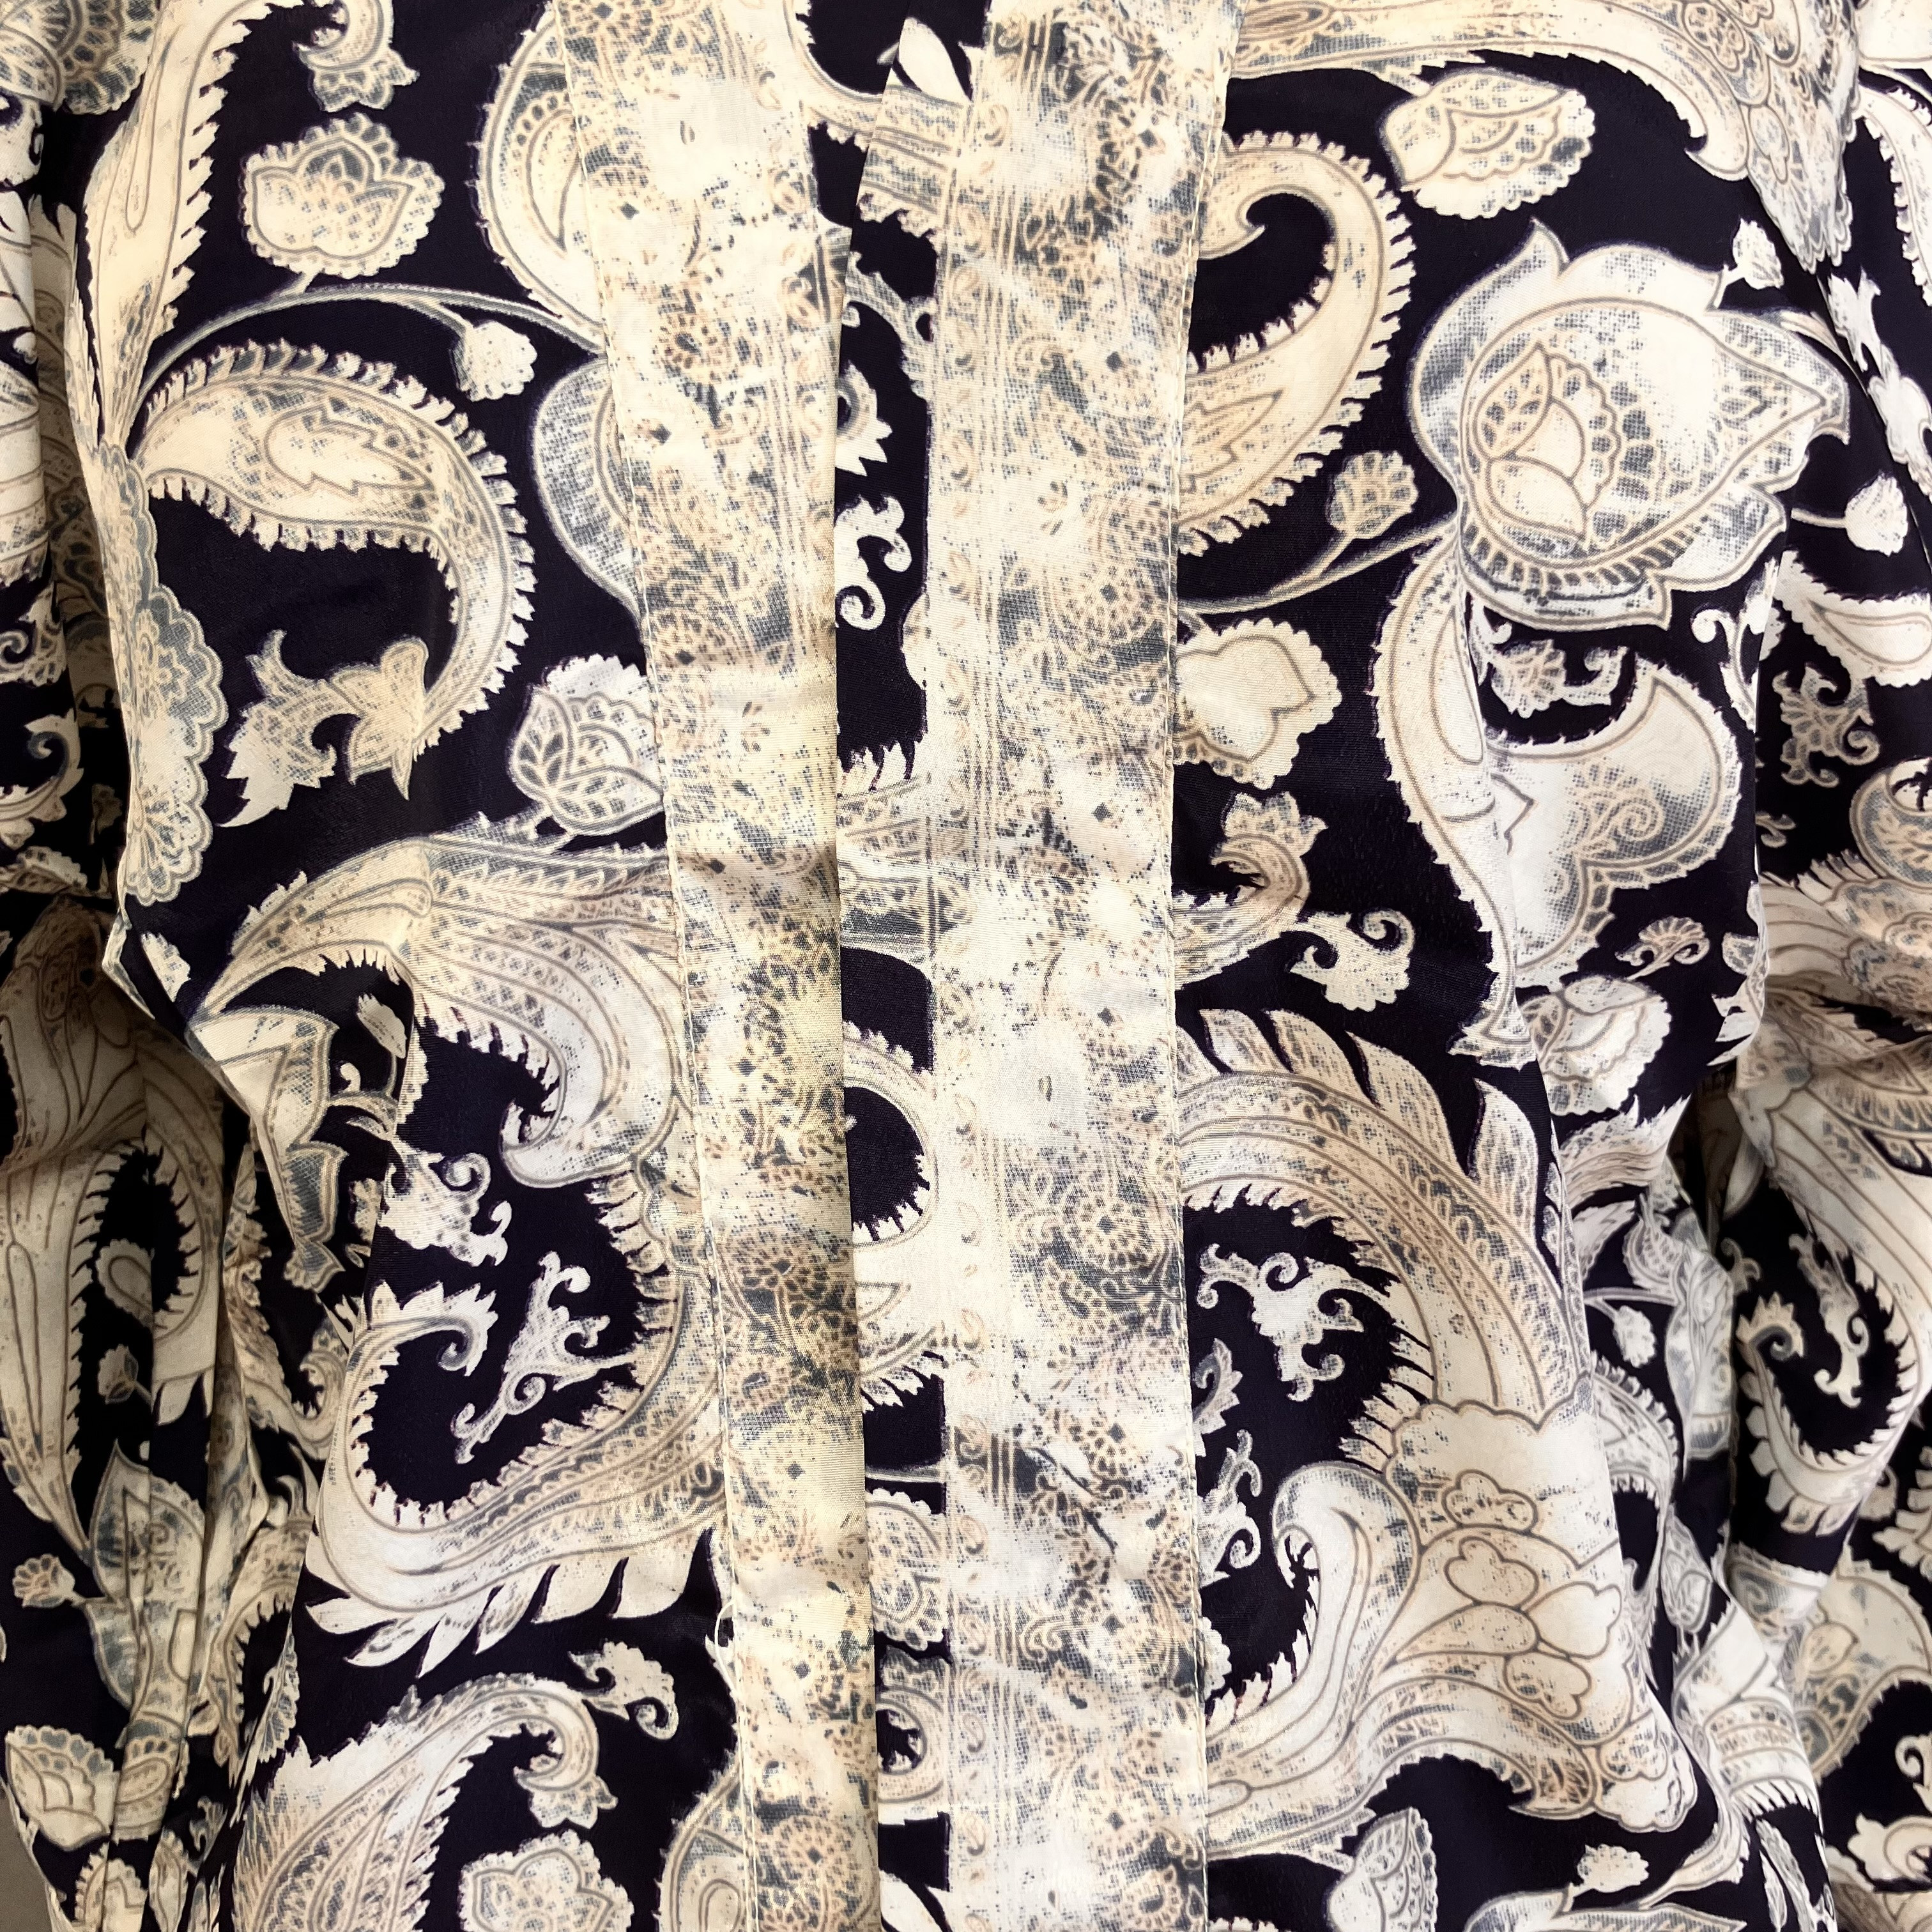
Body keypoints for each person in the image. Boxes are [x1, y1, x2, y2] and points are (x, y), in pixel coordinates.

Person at [0, 0, 1928, 1924]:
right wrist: (157, 1768)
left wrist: (1758, 1703)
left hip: (1513, 1848)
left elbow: (1895, 988)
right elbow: (43, 1002)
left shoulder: (1767, 44)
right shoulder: (125, 47)